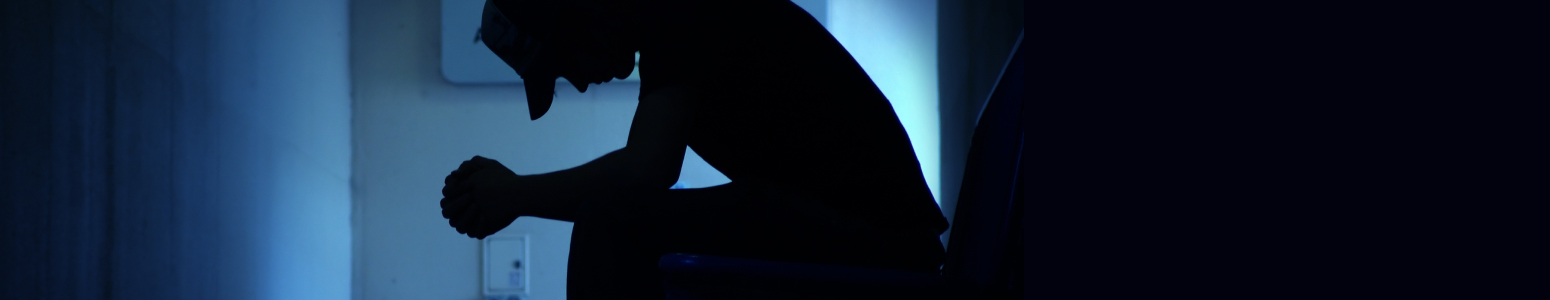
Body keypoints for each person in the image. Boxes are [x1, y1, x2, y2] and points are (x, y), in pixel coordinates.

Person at [438, 0, 948, 298]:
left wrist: (515, 195)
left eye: (561, 63)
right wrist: (513, 196)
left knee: (613, 220)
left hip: (886, 242)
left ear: (577, 13)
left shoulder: (681, 7)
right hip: (873, 233)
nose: (578, 81)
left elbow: (646, 171)